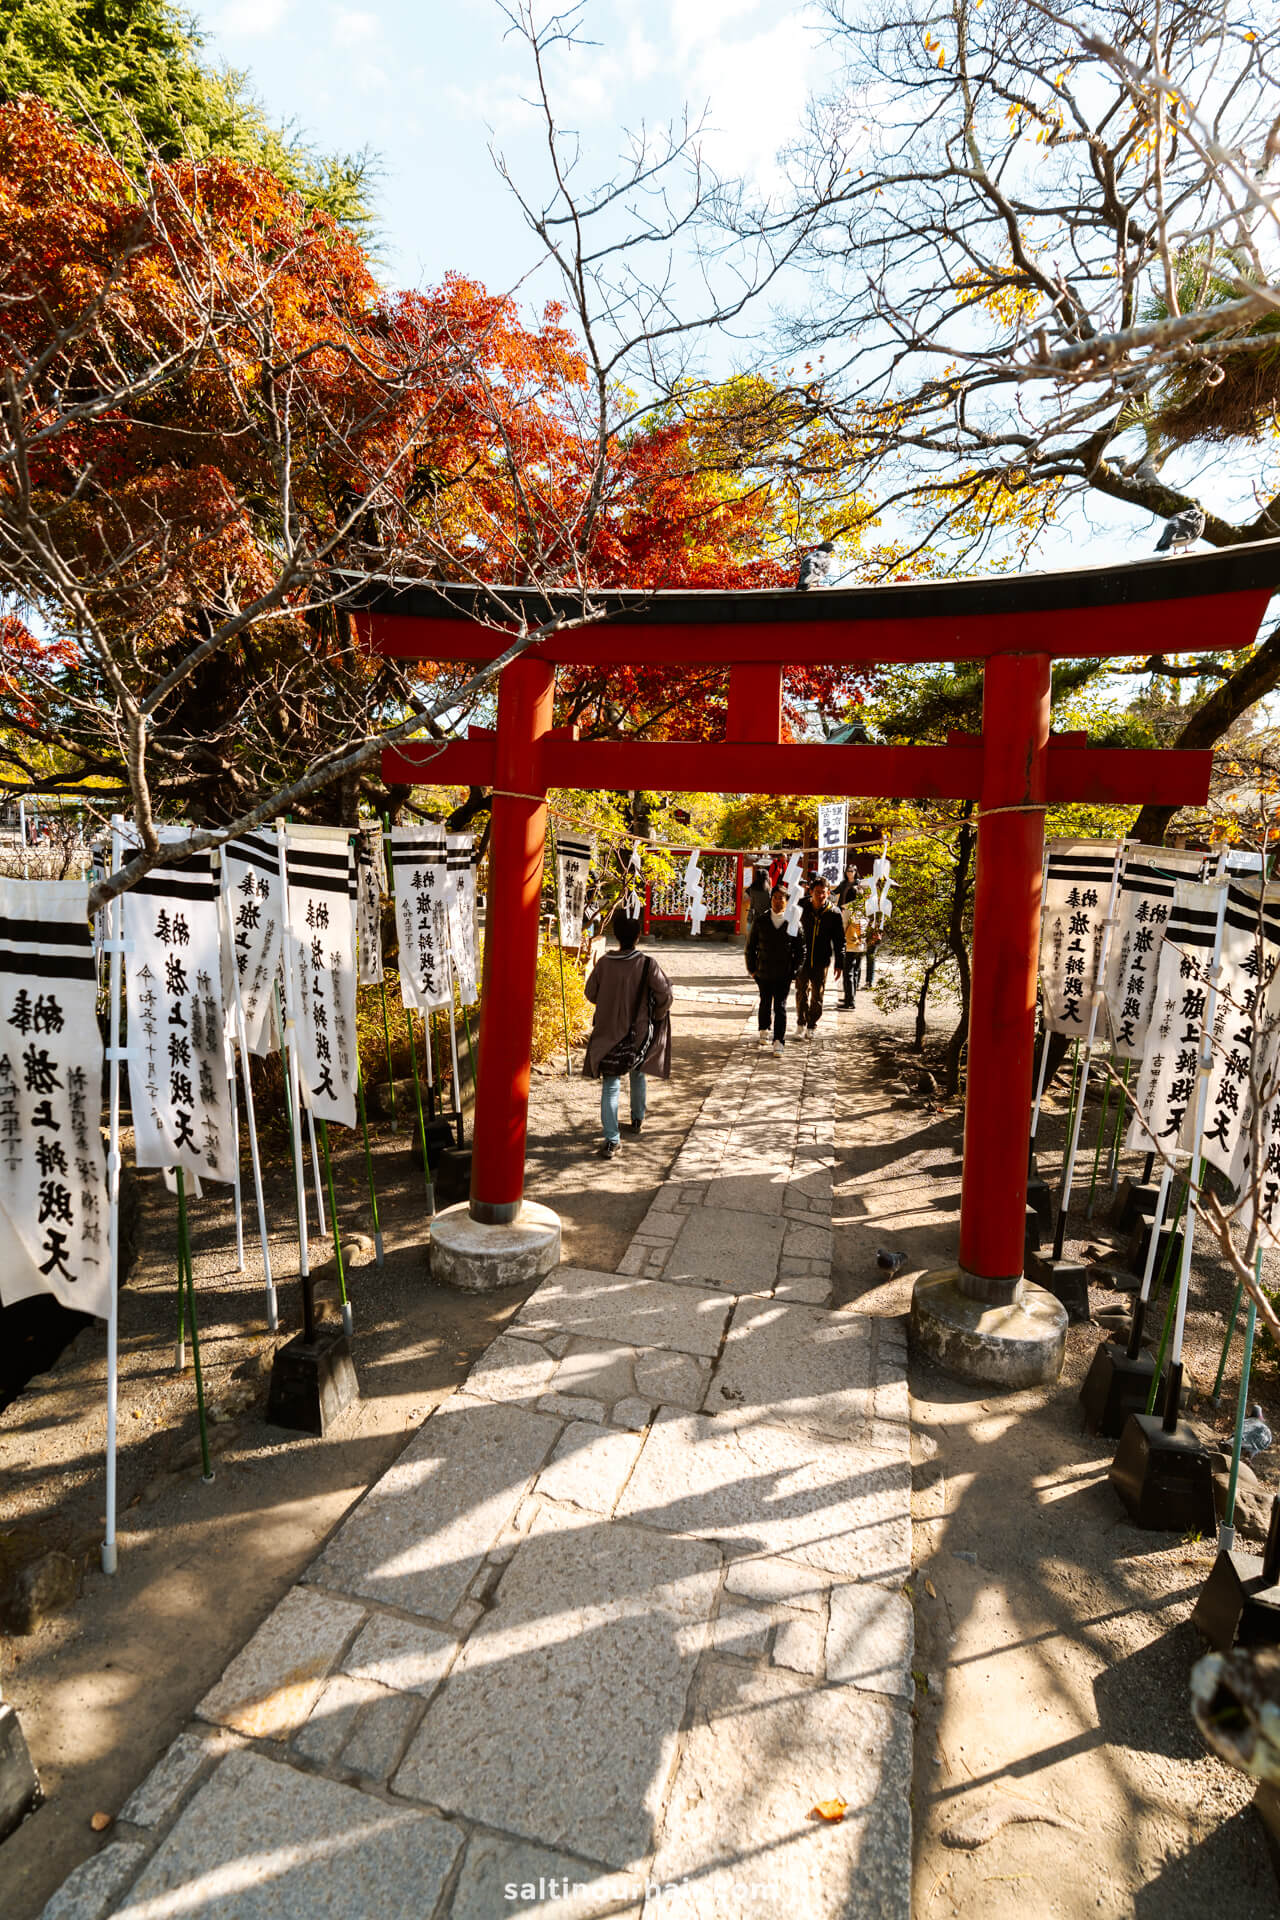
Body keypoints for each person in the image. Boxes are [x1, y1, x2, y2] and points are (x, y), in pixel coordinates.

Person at [583, 907, 673, 1158]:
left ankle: (612, 1139)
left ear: (616, 934)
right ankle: (637, 1119)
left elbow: (590, 994)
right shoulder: (647, 964)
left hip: (607, 1033)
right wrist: (655, 1015)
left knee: (611, 1085)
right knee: (637, 1074)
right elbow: (665, 995)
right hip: (639, 1034)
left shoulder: (604, 964)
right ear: (637, 936)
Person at [745, 884, 801, 1051]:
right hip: (763, 971)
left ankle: (779, 1040)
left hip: (784, 972)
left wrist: (795, 971)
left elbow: (800, 950)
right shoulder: (761, 920)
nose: (777, 901)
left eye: (781, 898)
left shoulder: (793, 922)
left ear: (787, 901)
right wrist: (752, 969)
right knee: (765, 1002)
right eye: (775, 898)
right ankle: (763, 1029)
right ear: (771, 900)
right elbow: (750, 947)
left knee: (780, 1006)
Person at [794, 874, 845, 1034]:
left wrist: (839, 963)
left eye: (824, 892)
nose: (821, 895)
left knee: (818, 994)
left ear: (828, 893)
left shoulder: (834, 913)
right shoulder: (800, 906)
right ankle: (801, 1022)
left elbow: (839, 940)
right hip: (802, 958)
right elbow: (791, 930)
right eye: (817, 892)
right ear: (810, 891)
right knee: (801, 991)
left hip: (821, 960)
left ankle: (812, 1024)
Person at [840, 900, 866, 1007]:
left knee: (848, 972)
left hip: (850, 944)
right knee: (856, 972)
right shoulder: (863, 908)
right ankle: (852, 997)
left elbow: (844, 926)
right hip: (861, 944)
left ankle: (849, 1000)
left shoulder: (848, 909)